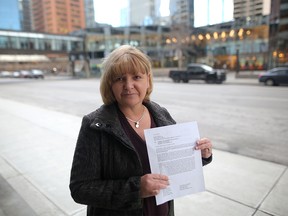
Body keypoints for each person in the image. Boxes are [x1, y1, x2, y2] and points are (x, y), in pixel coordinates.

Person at [69, 45, 213, 216]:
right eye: (120, 79)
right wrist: (136, 189)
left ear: (148, 80)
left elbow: (176, 162)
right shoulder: (95, 125)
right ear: (110, 84)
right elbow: (80, 188)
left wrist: (201, 155)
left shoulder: (160, 114)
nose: (128, 85)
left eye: (136, 77)